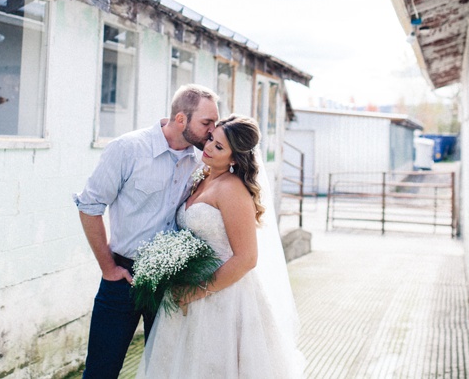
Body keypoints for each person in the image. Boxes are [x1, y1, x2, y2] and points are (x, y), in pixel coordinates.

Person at [136, 115, 304, 378]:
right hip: (186, 291)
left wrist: (196, 291)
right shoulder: (202, 176)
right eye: (211, 139)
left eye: (219, 147)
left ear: (234, 159)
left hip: (223, 297)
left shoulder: (232, 189)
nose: (209, 147)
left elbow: (247, 258)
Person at [74, 84, 220, 379]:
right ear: (181, 119)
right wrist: (108, 268)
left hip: (173, 282)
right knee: (100, 370)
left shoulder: (201, 161)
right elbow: (89, 205)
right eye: (207, 123)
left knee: (165, 371)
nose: (212, 131)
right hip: (122, 277)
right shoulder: (128, 149)